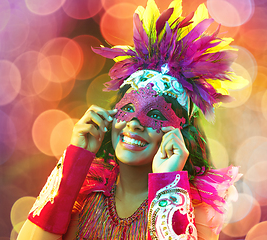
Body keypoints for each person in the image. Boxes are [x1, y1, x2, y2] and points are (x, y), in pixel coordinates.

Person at [17, 0, 247, 239]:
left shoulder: (196, 212)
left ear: (179, 132)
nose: (135, 123)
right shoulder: (83, 198)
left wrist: (166, 184)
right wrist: (76, 158)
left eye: (156, 114)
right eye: (128, 107)